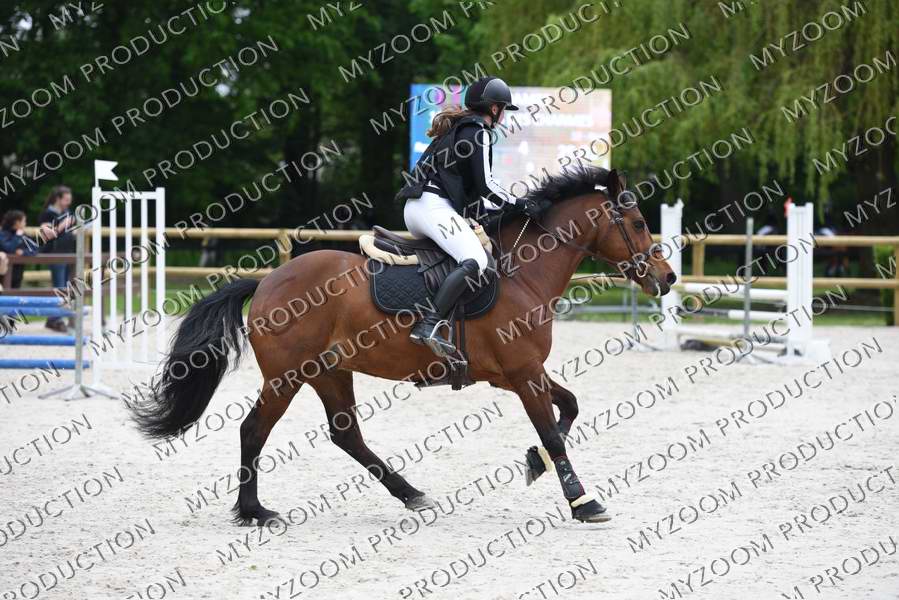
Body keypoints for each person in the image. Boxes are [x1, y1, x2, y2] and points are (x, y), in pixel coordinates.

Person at [396, 76, 540, 356]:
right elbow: (487, 185)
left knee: (468, 253)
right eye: (503, 110)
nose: (503, 117)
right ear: (495, 109)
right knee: (475, 259)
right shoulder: (479, 131)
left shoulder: (459, 128)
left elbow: (470, 191)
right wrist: (520, 203)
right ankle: (428, 324)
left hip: (421, 208)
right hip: (432, 208)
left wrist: (491, 214)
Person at [38, 186, 76, 332]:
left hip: (68, 253)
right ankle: (55, 319)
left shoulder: (67, 213)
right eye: (66, 200)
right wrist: (64, 225)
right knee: (59, 286)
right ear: (58, 199)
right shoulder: (47, 214)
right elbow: (48, 234)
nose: (68, 203)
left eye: (69, 200)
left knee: (66, 287)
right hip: (54, 253)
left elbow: (69, 231)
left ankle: (54, 318)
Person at [0, 210, 38, 288]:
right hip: (3, 272)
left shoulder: (23, 235)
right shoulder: (3, 234)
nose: (25, 224)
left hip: (18, 273)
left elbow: (35, 249)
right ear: (17, 222)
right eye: (24, 221)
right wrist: (17, 236)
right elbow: (9, 249)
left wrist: (23, 252)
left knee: (15, 293)